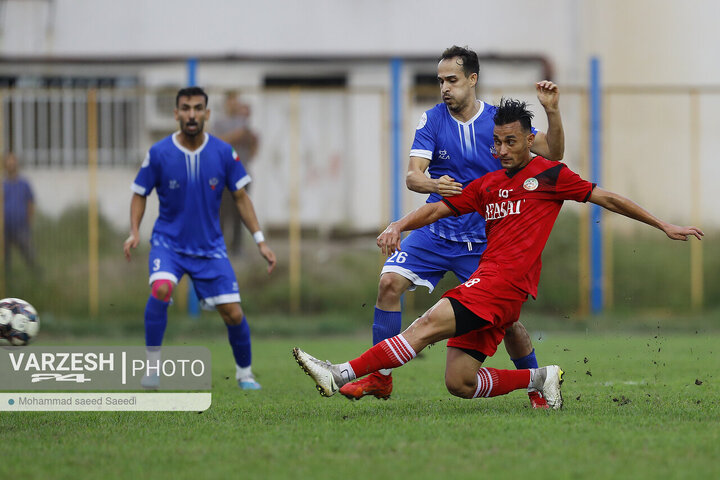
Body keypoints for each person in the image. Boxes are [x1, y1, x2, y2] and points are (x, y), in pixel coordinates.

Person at [293, 97, 703, 409]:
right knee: (460, 383)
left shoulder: (550, 176)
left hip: (503, 286)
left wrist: (663, 224)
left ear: (529, 140)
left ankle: (340, 372)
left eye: (511, 141)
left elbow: (607, 198)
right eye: (497, 142)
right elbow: (437, 207)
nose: (503, 149)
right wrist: (399, 225)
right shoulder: (487, 184)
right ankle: (539, 379)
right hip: (490, 285)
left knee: (426, 325)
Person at [339, 45, 564, 408]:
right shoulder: (431, 120)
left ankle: (539, 384)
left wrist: (552, 112)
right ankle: (380, 379)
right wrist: (434, 185)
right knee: (388, 283)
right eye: (441, 80)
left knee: (506, 322)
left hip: (483, 243)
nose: (445, 87)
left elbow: (552, 152)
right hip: (436, 232)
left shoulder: (498, 124)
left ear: (472, 80)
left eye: (453, 80)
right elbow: (414, 176)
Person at [123, 86, 276, 390]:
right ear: (176, 113)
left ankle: (245, 374)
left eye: (197, 108)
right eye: (185, 108)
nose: (191, 114)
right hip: (168, 244)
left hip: (210, 248)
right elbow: (140, 193)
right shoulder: (159, 153)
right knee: (162, 288)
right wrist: (135, 231)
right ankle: (152, 368)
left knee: (233, 313)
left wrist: (259, 239)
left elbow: (242, 198)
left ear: (206, 114)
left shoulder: (222, 153)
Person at [214, 92, 259, 255]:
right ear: (226, 103)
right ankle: (220, 248)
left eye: (236, 101)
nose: (234, 104)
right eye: (231, 101)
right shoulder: (219, 122)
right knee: (222, 214)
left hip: (242, 174)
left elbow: (253, 145)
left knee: (241, 213)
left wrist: (251, 139)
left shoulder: (244, 123)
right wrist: (236, 135)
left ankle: (237, 249)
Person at [3, 152, 37, 275]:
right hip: (5, 227)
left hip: (21, 226)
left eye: (13, 162)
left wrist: (29, 221)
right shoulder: (3, 185)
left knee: (28, 253)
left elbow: (30, 203)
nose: (11, 165)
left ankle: (36, 275)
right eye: (9, 163)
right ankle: (7, 279)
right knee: (5, 257)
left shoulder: (24, 184)